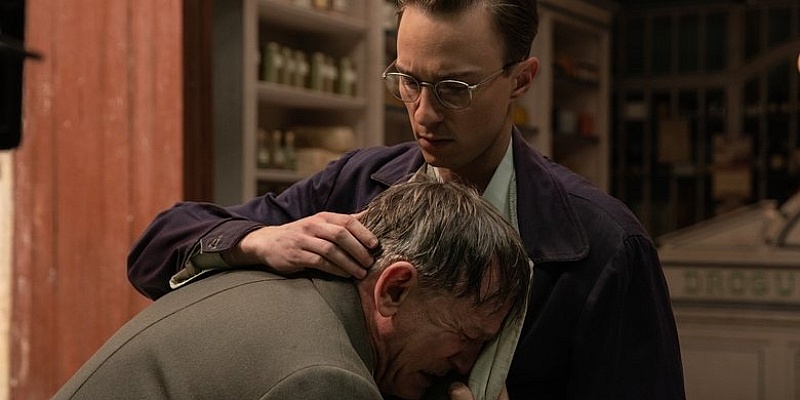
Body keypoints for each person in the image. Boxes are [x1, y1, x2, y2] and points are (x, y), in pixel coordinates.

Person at [127, 0, 686, 398]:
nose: (424, 113)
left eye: (454, 88)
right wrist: (257, 240)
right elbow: (154, 250)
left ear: (520, 80)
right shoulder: (357, 184)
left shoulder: (605, 246)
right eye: (408, 81)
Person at [55, 180, 531, 400]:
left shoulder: (283, 291)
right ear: (395, 289)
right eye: (468, 337)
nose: (467, 365)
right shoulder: (326, 381)